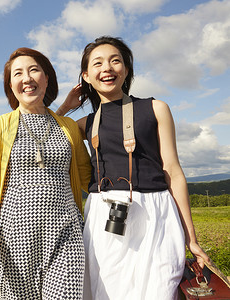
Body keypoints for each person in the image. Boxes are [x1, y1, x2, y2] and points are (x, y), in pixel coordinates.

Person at [56, 36, 210, 300]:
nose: (107, 68)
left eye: (115, 61)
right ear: (87, 77)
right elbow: (50, 131)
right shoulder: (86, 122)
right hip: (105, 216)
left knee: (160, 290)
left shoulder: (156, 108)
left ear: (126, 70)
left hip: (156, 214)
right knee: (107, 292)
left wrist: (191, 238)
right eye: (98, 63)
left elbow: (173, 171)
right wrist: (68, 106)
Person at [0, 47, 91, 299]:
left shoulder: (67, 127)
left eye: (34, 70)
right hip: (13, 241)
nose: (27, 78)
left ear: (47, 78)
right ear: (10, 85)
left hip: (66, 236)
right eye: (18, 73)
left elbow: (89, 178)